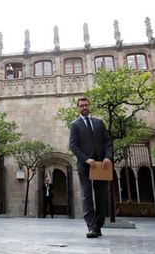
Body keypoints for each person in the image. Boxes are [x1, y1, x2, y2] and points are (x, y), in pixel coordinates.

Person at [69, 97, 113, 238]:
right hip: (85, 166)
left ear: (90, 106)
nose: (84, 107)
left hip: (100, 165)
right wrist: (86, 159)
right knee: (86, 196)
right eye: (81, 106)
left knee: (101, 197)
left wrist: (107, 157)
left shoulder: (99, 123)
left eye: (86, 105)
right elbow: (73, 145)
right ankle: (91, 227)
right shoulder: (75, 125)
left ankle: (98, 225)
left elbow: (108, 141)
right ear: (78, 108)